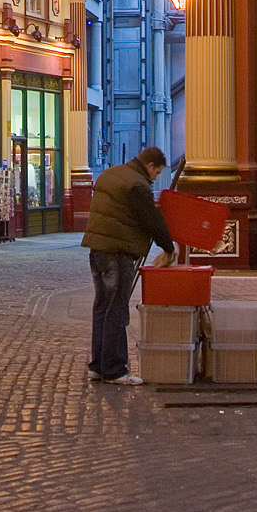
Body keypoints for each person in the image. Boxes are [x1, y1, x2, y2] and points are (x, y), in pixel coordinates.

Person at [82, 144, 179, 384]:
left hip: (98, 249)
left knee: (103, 307)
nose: (155, 178)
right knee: (117, 309)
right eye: (156, 173)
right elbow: (152, 219)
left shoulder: (111, 174)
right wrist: (168, 247)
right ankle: (115, 369)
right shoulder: (136, 184)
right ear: (150, 166)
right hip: (118, 252)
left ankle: (98, 365)